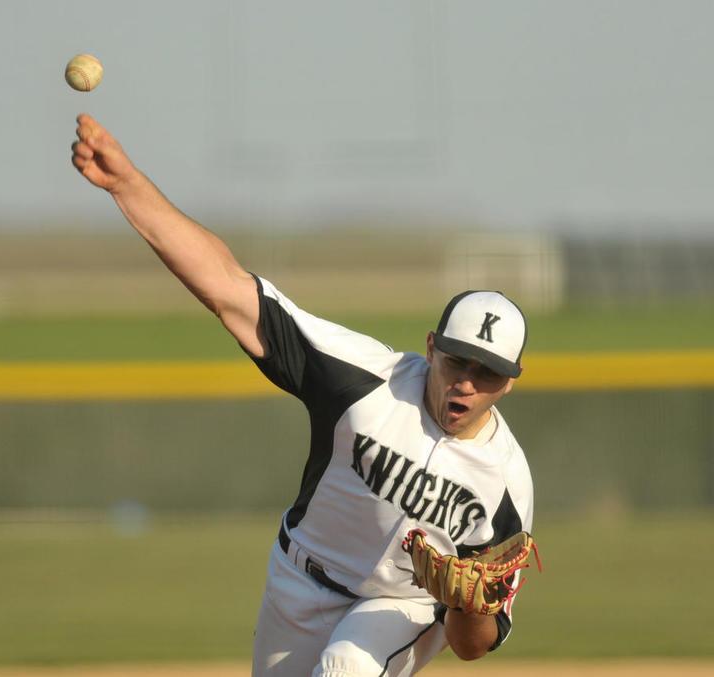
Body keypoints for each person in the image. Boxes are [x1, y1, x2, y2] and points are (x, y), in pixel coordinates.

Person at [71, 114, 534, 676]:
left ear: (509, 381)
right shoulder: (364, 380)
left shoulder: (505, 485)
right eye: (457, 361)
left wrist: (464, 603)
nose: (466, 381)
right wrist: (127, 185)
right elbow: (230, 289)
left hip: (400, 607)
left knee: (344, 666)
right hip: (296, 580)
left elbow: (473, 644)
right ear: (431, 347)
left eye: (487, 373)